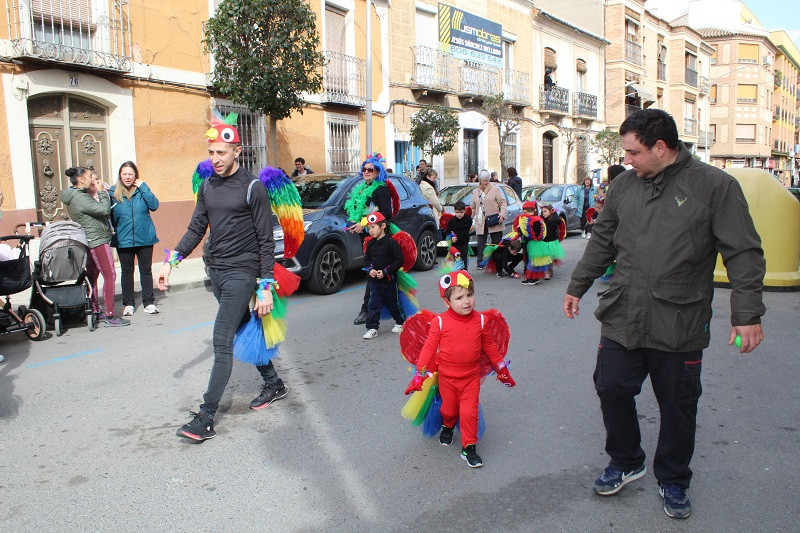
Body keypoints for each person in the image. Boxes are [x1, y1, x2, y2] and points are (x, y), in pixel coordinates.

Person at [563, 109, 766, 519]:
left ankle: (673, 478)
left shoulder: (715, 187)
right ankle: (626, 459)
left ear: (660, 147)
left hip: (680, 319)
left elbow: (743, 252)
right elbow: (602, 240)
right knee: (611, 386)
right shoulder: (623, 185)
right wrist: (577, 286)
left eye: (633, 152)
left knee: (677, 403)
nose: (627, 160)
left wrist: (747, 313)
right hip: (623, 311)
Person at [158, 116, 286, 442]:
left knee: (221, 340)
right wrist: (171, 261)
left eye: (222, 152)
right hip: (215, 271)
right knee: (242, 327)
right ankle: (273, 383)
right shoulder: (207, 186)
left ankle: (206, 417)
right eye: (211, 152)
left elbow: (265, 240)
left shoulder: (252, 188)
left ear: (237, 152)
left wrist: (266, 284)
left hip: (242, 274)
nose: (215, 159)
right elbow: (195, 228)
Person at [405, 270, 515, 467]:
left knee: (469, 412)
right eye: (460, 297)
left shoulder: (480, 320)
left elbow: (489, 346)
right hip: (447, 378)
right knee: (449, 410)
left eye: (470, 295)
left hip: (471, 378)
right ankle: (447, 426)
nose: (467, 301)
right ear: (447, 302)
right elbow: (429, 347)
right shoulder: (439, 322)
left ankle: (469, 447)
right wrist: (419, 374)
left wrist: (501, 368)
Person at [61, 166, 129, 327]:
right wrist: (101, 192)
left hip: (91, 240)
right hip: (96, 240)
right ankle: (110, 315)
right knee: (110, 274)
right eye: (90, 176)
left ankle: (95, 310)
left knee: (92, 277)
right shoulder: (80, 198)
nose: (93, 179)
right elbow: (104, 210)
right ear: (81, 179)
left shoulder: (77, 195)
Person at [348, 154, 396, 326]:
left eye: (370, 169)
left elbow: (386, 214)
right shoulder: (361, 188)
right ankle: (390, 306)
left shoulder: (381, 189)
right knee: (377, 271)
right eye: (364, 169)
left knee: (374, 271)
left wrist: (365, 223)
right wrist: (356, 223)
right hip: (367, 236)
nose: (366, 172)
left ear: (377, 172)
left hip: (380, 237)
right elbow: (361, 211)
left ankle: (367, 309)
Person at [110, 161, 160, 316]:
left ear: (135, 175)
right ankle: (129, 304)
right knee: (127, 272)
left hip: (144, 237)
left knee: (145, 271)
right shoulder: (113, 193)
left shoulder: (141, 190)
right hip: (124, 239)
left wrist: (144, 187)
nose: (127, 177)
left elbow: (154, 205)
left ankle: (149, 302)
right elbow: (107, 214)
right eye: (124, 174)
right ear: (120, 175)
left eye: (130, 174)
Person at [362, 212, 406, 339]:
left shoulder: (391, 243)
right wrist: (370, 270)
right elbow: (366, 260)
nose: (370, 231)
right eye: (369, 228)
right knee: (373, 304)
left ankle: (400, 322)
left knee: (393, 303)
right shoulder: (370, 244)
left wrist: (386, 272)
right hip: (374, 282)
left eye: (373, 227)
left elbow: (399, 260)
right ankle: (372, 328)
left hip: (389, 281)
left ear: (383, 226)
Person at [470, 170, 507, 267]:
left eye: (487, 180)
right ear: (480, 181)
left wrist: (502, 214)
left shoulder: (495, 189)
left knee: (496, 242)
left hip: (494, 219)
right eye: (483, 180)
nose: (485, 182)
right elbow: (473, 207)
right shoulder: (475, 192)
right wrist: (470, 217)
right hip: (481, 220)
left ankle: (498, 262)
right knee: (481, 242)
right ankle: (480, 262)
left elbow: (503, 202)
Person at [539, 203, 564, 279]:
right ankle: (545, 271)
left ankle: (550, 270)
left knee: (550, 258)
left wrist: (554, 212)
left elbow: (558, 220)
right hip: (544, 242)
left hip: (552, 242)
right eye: (543, 212)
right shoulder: (542, 219)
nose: (544, 213)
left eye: (545, 211)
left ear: (550, 211)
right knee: (544, 257)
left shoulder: (553, 219)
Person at [448, 200, 473, 271]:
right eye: (457, 212)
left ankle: (464, 273)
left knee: (464, 259)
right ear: (454, 211)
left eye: (461, 212)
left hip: (464, 243)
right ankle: (456, 273)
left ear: (464, 211)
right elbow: (448, 231)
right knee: (456, 259)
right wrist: (451, 237)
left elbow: (470, 228)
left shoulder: (468, 219)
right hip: (455, 244)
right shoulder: (452, 220)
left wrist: (471, 229)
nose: (459, 214)